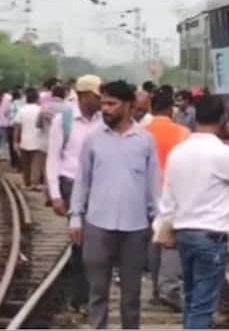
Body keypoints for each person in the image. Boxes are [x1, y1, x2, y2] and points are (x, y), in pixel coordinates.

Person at [157, 95, 229, 329]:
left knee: (192, 299)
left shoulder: (178, 152)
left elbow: (168, 196)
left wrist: (164, 228)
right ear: (224, 120)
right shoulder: (224, 154)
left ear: (194, 117)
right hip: (210, 237)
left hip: (183, 234)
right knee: (202, 306)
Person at [69, 80, 160, 329]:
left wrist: (159, 220)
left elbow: (153, 186)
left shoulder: (145, 140)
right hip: (98, 225)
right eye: (103, 103)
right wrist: (75, 216)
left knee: (131, 297)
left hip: (136, 228)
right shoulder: (93, 139)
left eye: (112, 103)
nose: (105, 109)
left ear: (128, 105)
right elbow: (82, 181)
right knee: (97, 294)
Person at [46, 74, 102, 314]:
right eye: (98, 97)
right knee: (80, 242)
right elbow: (53, 157)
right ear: (84, 96)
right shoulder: (64, 120)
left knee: (97, 243)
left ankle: (89, 295)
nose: (102, 101)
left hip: (99, 188)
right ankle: (81, 297)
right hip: (71, 185)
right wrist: (55, 194)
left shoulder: (104, 120)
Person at [143, 90, 190, 311]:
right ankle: (170, 288)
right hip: (172, 194)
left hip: (146, 194)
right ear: (170, 109)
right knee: (170, 242)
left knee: (153, 241)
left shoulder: (141, 132)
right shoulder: (182, 132)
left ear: (152, 109)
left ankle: (155, 288)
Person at [13, 88, 45, 191]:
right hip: (38, 141)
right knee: (36, 164)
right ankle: (34, 183)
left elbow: (17, 126)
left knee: (25, 164)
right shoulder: (41, 110)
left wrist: (15, 141)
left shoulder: (21, 110)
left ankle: (26, 183)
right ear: (36, 99)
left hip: (24, 141)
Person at [4, 88, 23, 170]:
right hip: (20, 127)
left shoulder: (10, 104)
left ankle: (13, 163)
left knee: (12, 145)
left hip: (11, 127)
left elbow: (5, 113)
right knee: (20, 145)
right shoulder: (22, 104)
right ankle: (20, 163)